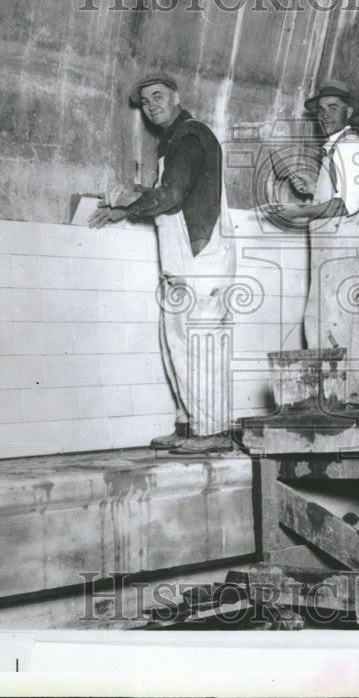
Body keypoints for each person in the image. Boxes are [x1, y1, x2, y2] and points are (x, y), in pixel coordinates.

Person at [89, 74, 236, 454]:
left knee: (199, 345)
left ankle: (214, 432)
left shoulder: (189, 135)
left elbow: (171, 196)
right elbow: (173, 194)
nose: (152, 105)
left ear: (176, 97)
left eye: (158, 97)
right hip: (183, 262)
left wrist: (127, 209)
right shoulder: (173, 141)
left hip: (201, 262)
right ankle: (189, 426)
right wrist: (134, 195)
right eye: (146, 101)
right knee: (178, 345)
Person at [274, 81, 359, 406]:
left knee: (324, 320)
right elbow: (336, 195)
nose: (325, 114)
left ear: (348, 111)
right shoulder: (336, 149)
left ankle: (332, 401)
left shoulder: (349, 147)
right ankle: (356, 399)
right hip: (339, 249)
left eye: (333, 108)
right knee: (350, 324)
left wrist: (301, 211)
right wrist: (311, 189)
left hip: (340, 249)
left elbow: (345, 204)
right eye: (321, 110)